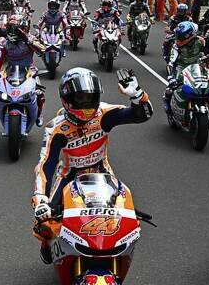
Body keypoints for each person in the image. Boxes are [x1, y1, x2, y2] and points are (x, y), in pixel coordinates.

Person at [32, 68, 152, 263]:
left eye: (91, 98)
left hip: (101, 171)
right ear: (66, 99)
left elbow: (141, 115)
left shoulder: (104, 113)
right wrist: (40, 198)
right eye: (80, 98)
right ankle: (48, 245)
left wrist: (137, 94)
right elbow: (45, 165)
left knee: (117, 219)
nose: (86, 104)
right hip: (69, 176)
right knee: (44, 223)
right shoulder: (55, 128)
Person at [162, 21, 207, 122]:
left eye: (181, 36)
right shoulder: (176, 46)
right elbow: (171, 62)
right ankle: (168, 106)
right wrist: (171, 77)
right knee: (171, 88)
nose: (179, 39)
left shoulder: (201, 41)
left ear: (190, 35)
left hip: (197, 66)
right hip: (181, 68)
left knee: (206, 84)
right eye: (178, 36)